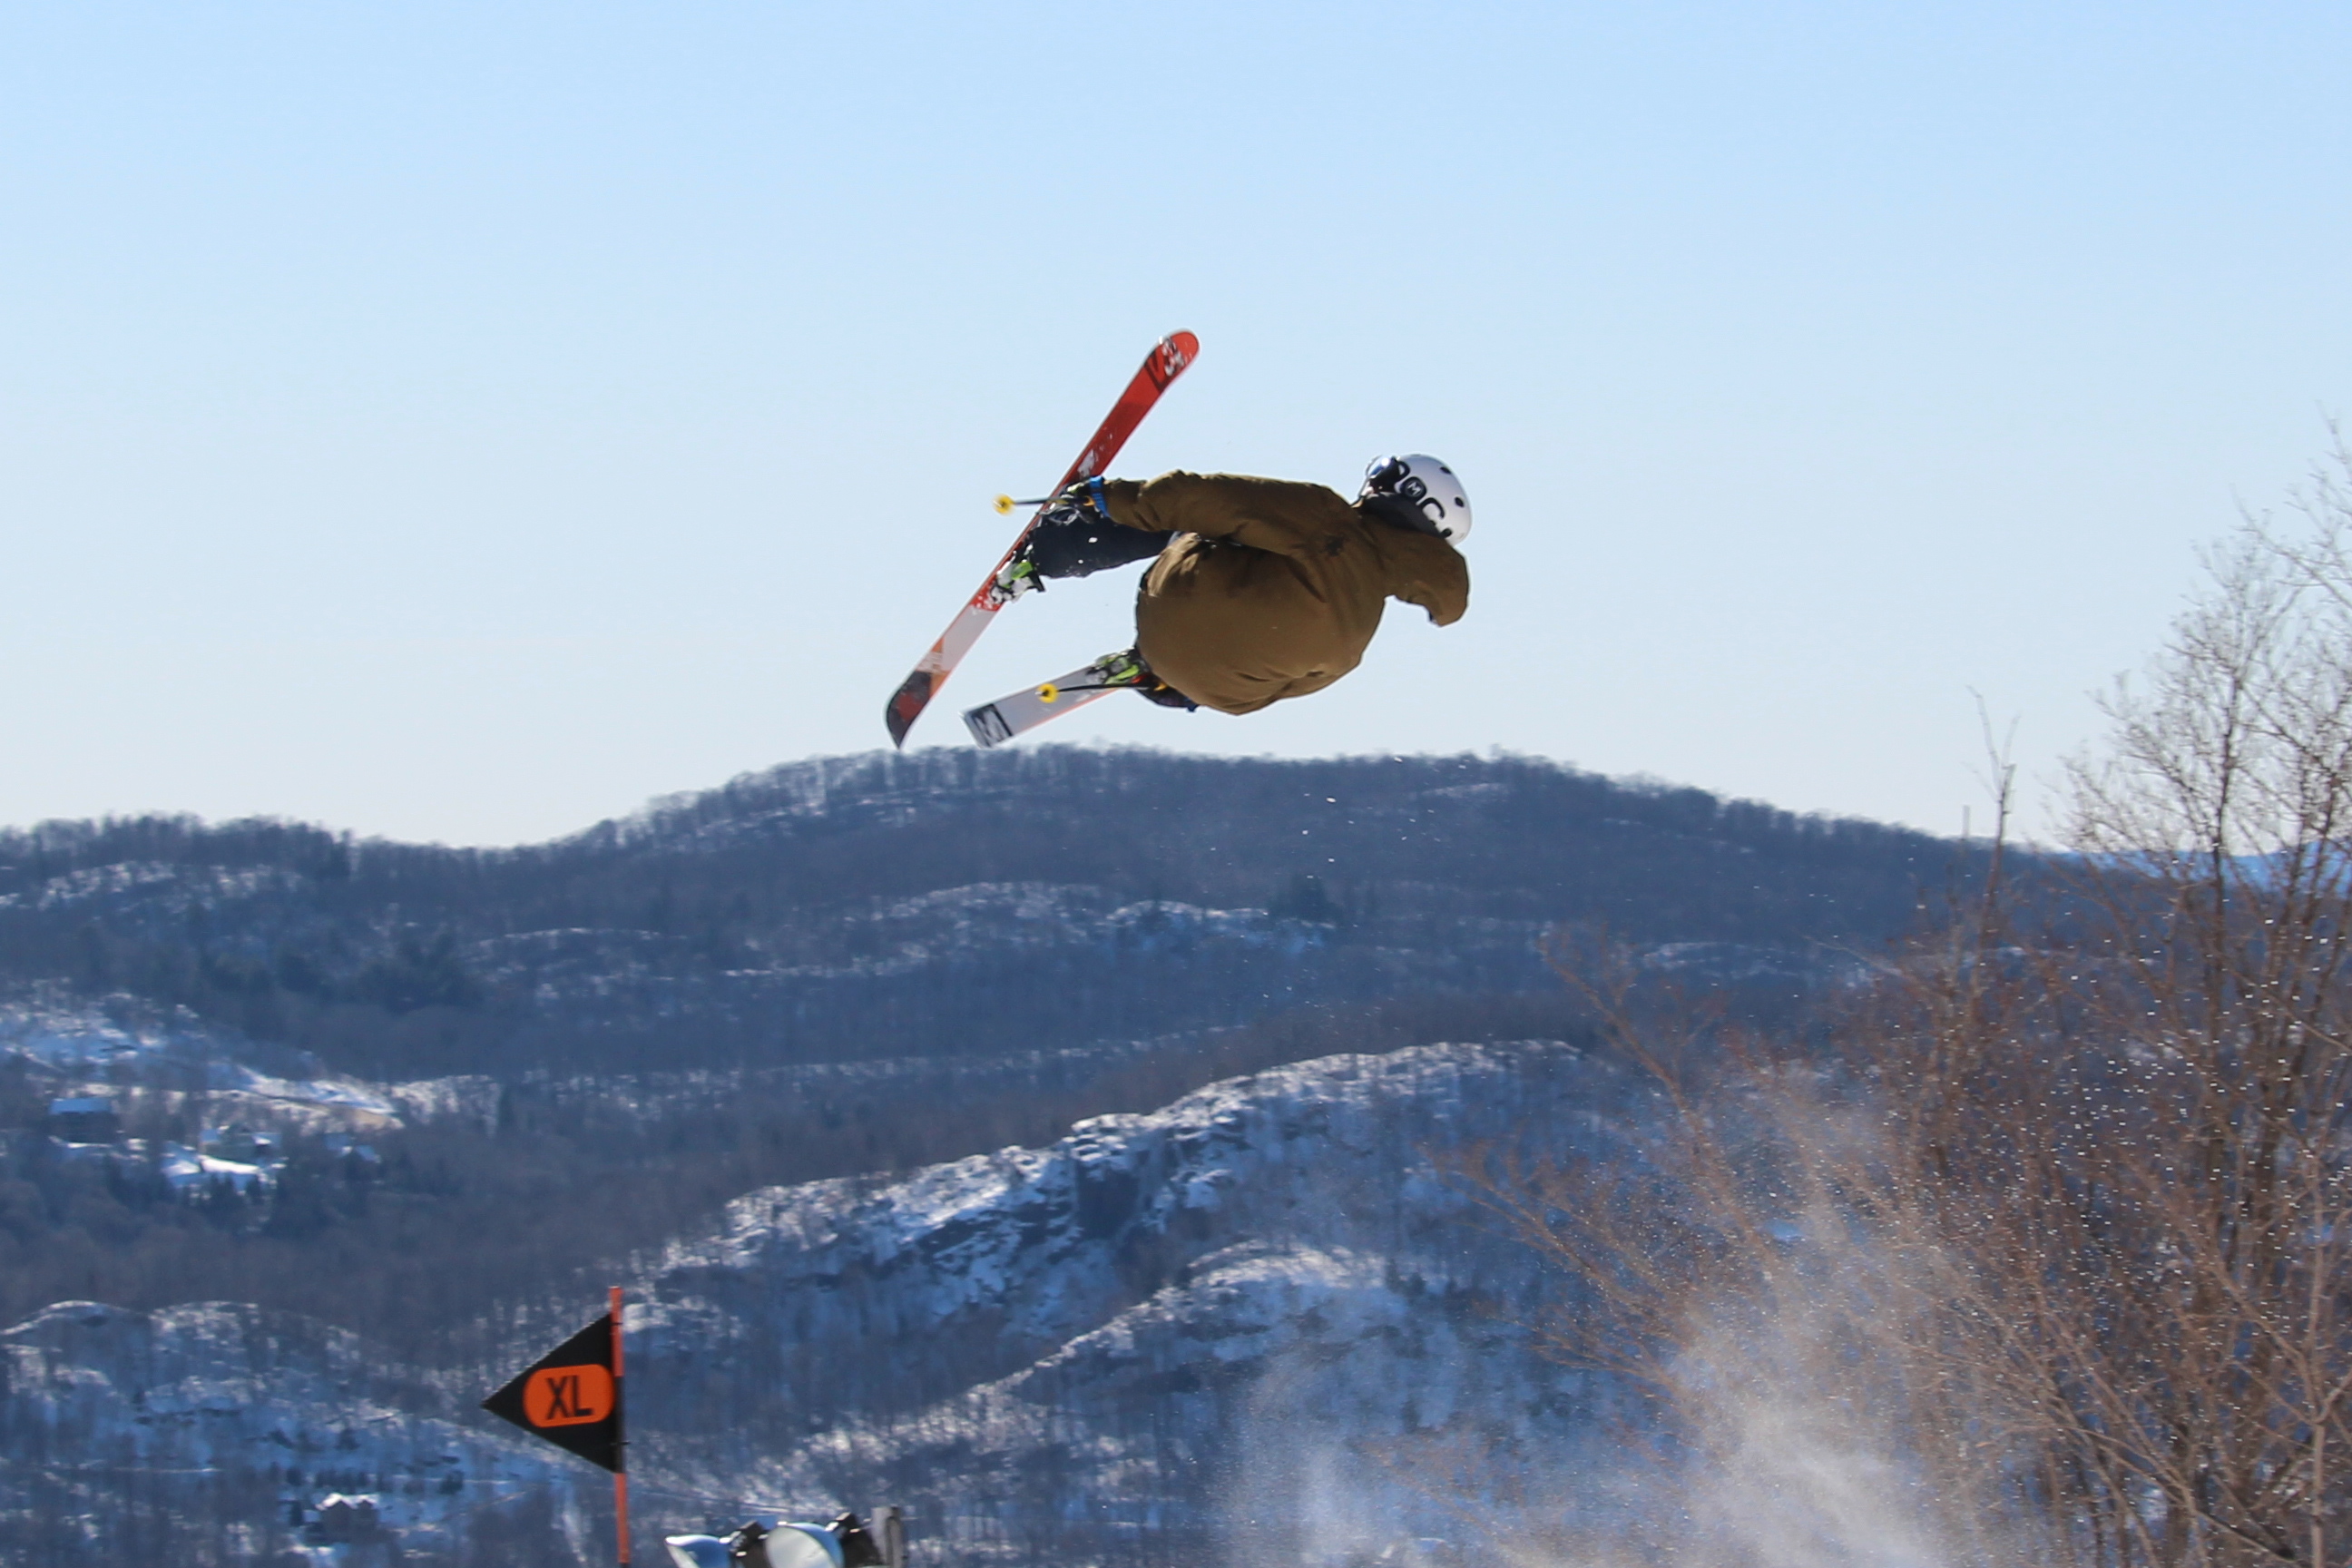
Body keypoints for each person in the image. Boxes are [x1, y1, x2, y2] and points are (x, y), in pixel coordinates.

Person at [993, 455, 1472, 715]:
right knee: (1299, 647)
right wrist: (1197, 689)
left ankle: (1043, 557)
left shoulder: (1326, 516)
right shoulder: (1362, 627)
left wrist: (1108, 497)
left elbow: (1211, 498)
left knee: (1193, 524)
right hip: (1214, 688)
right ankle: (1156, 676)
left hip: (1175, 603)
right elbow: (1279, 693)